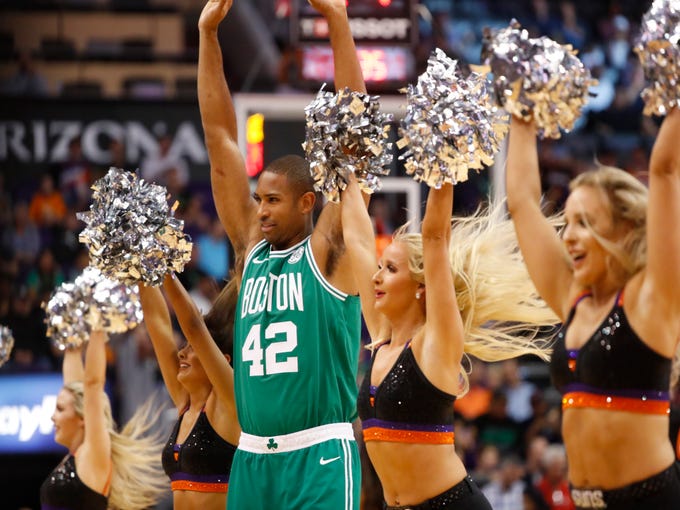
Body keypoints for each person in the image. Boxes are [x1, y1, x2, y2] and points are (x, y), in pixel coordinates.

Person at [197, 0, 366, 508]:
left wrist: (337, 20)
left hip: (319, 454)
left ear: (308, 202)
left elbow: (352, 137)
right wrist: (208, 35)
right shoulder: (253, 252)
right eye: (259, 201)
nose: (262, 211)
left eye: (273, 201)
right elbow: (221, 138)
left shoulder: (328, 250)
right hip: (251, 457)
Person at [342, 169, 556, 509]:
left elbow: (435, 239)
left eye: (391, 269)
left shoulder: (435, 343)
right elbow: (355, 238)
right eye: (380, 267)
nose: (376, 277)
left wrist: (443, 165)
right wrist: (347, 170)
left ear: (421, 288)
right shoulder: (382, 337)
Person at [506, 105, 680, 508]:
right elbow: (523, 203)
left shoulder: (652, 298)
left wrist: (673, 101)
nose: (568, 237)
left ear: (625, 228)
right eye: (567, 222)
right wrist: (522, 110)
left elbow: (666, 171)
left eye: (586, 223)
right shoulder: (575, 298)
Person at [139, 272, 240, 510]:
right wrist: (141, 267)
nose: (181, 353)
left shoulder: (228, 401)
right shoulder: (185, 403)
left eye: (192, 348)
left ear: (221, 360)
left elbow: (194, 327)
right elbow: (157, 323)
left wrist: (163, 270)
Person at [40, 330, 166, 510]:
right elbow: (74, 382)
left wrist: (98, 326)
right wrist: (71, 326)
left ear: (83, 417)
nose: (53, 416)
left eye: (60, 409)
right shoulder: (75, 456)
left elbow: (93, 384)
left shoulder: (92, 454)